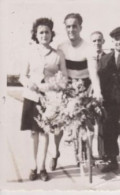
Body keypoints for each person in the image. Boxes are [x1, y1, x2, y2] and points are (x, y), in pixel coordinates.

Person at [49, 13, 103, 171]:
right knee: (59, 122)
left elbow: (93, 73)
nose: (71, 29)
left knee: (89, 121)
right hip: (67, 86)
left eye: (74, 26)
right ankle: (55, 154)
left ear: (80, 27)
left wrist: (97, 91)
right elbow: (60, 72)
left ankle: (88, 152)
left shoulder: (89, 48)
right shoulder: (61, 47)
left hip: (85, 87)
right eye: (68, 26)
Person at [20, 17, 67, 181]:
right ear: (36, 35)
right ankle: (32, 167)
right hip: (32, 97)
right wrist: (30, 84)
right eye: (41, 32)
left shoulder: (57, 54)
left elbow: (64, 79)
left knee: (45, 132)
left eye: (47, 32)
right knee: (33, 133)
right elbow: (22, 76)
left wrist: (53, 86)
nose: (44, 35)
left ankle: (42, 168)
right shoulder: (29, 52)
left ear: (51, 34)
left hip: (50, 99)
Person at [98, 27, 120, 172]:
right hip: (110, 103)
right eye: (116, 39)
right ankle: (112, 161)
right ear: (112, 41)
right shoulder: (104, 60)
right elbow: (100, 81)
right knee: (109, 130)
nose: (119, 41)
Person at [90, 31, 106, 160]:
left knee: (102, 125)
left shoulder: (108, 57)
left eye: (99, 40)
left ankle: (102, 154)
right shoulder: (88, 58)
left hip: (103, 95)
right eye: (94, 41)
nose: (97, 43)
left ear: (103, 42)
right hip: (89, 95)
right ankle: (86, 154)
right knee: (88, 124)